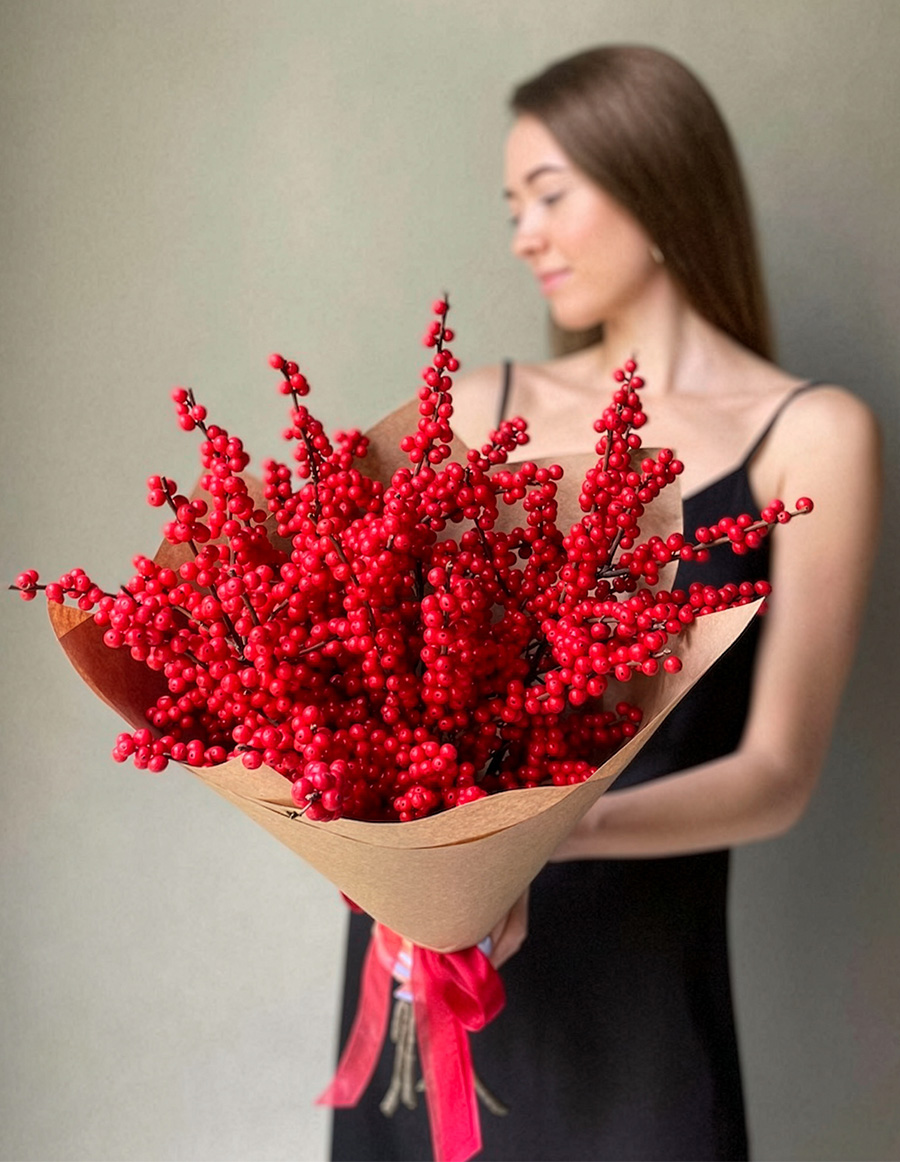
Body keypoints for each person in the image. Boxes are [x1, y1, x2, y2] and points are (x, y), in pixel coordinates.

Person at [331, 45, 880, 1162]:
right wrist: (420, 855)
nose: (523, 233)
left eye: (550, 193)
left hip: (639, 979)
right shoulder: (480, 410)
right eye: (511, 205)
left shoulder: (814, 437)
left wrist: (535, 840)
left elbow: (778, 773)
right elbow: (346, 644)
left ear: (656, 181)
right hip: (434, 964)